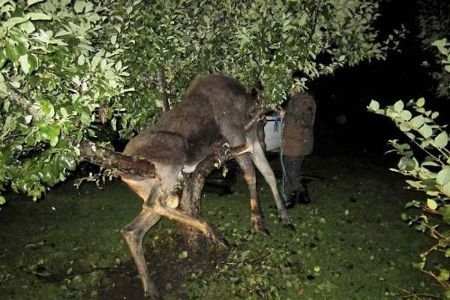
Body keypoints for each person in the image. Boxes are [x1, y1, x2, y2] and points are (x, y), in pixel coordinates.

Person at [280, 92, 316, 208]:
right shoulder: (293, 100)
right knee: (288, 172)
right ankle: (297, 197)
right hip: (290, 143)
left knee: (292, 173)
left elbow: (306, 122)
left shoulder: (306, 101)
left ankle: (296, 197)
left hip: (299, 143)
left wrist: (286, 115)